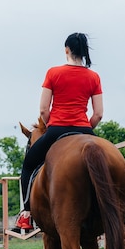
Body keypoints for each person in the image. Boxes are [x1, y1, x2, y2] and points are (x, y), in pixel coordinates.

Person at [16, 32, 104, 230]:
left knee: (29, 165)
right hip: (84, 129)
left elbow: (43, 110)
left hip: (57, 130)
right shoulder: (94, 77)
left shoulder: (53, 73)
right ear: (84, 52)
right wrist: (86, 128)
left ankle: (26, 214)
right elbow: (98, 114)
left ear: (66, 50)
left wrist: (51, 125)